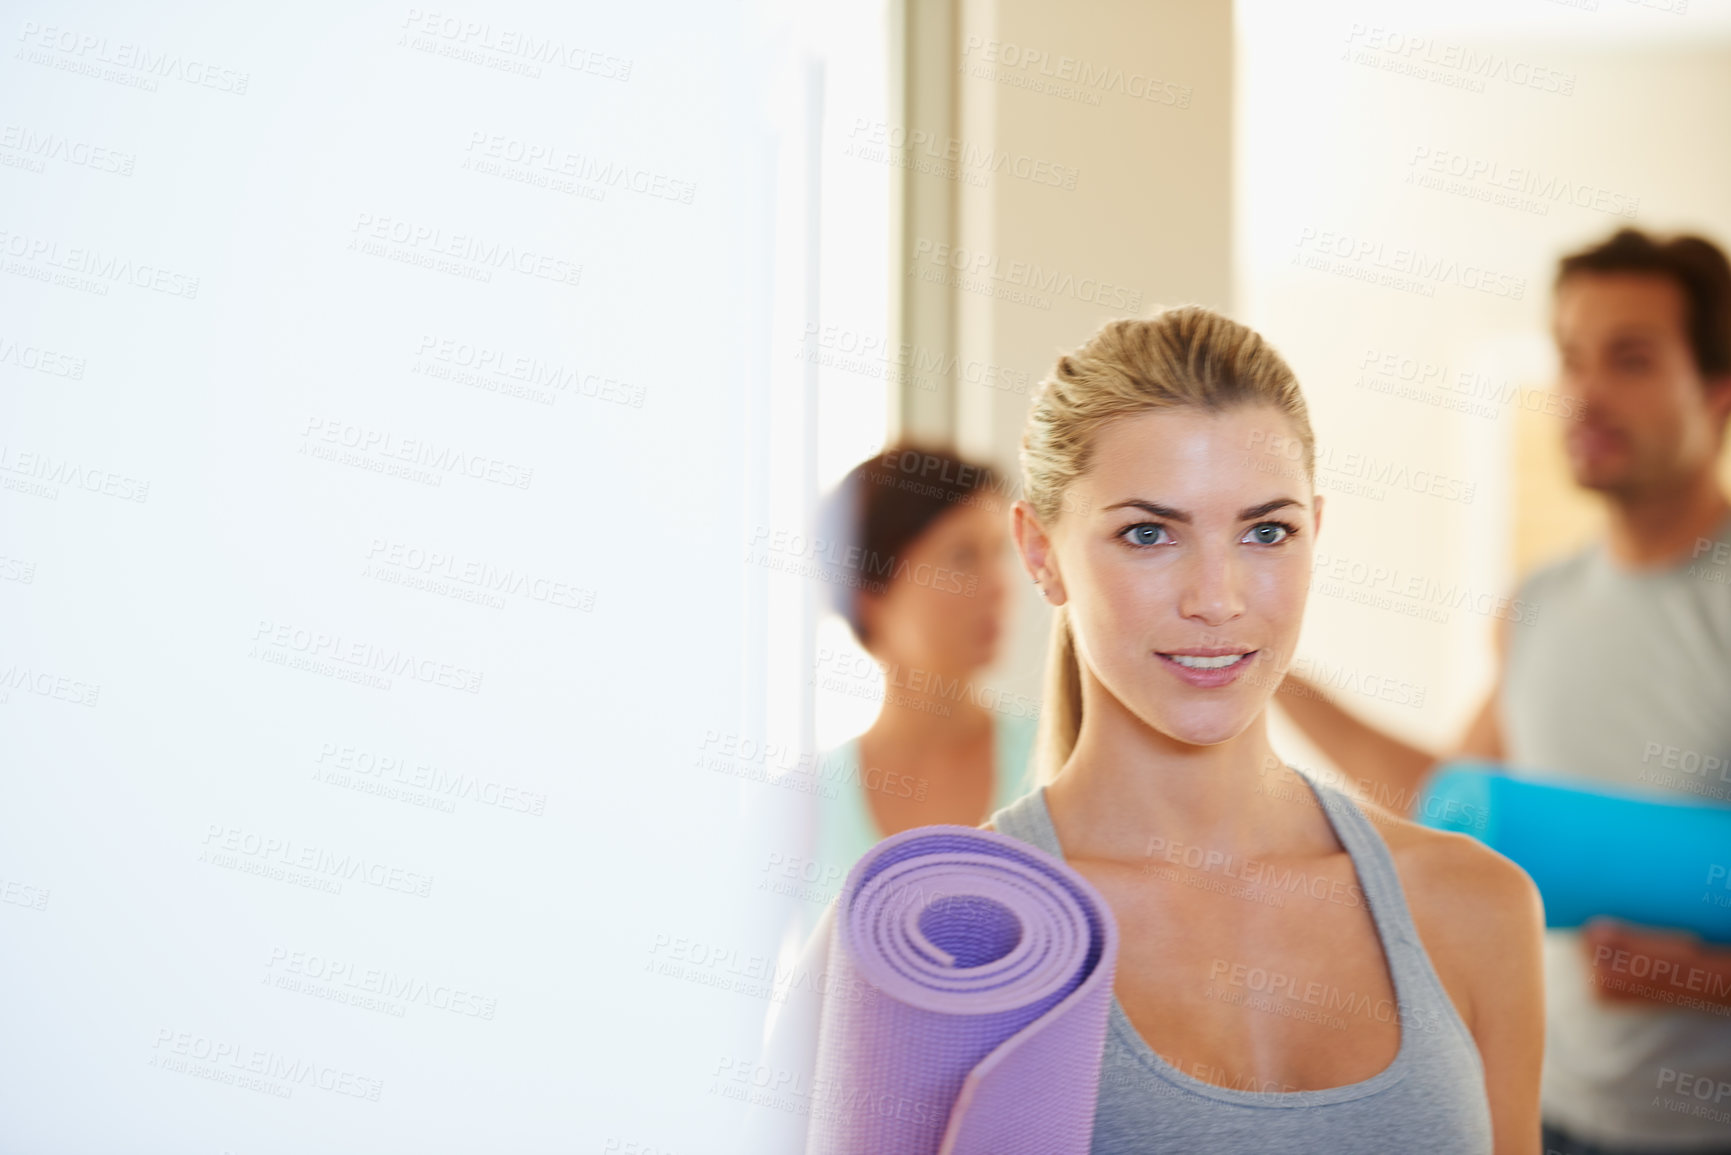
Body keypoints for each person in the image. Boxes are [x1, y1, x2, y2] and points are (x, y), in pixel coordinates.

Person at [750, 307, 1545, 1154]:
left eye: (1266, 531)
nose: (1216, 596)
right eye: (1147, 533)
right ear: (1040, 552)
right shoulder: (934, 938)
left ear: (1316, 532)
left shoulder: (1476, 909)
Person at [1276, 227, 1731, 1155]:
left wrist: (1703, 979)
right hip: (1549, 1117)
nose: (1585, 391)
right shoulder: (1541, 606)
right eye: (1571, 358)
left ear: (1718, 390)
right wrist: (1270, 673)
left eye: (1631, 358)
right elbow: (1451, 808)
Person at [808, 445, 1038, 900]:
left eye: (998, 553)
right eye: (963, 557)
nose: (999, 586)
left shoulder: (1059, 761)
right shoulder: (804, 806)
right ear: (870, 590)